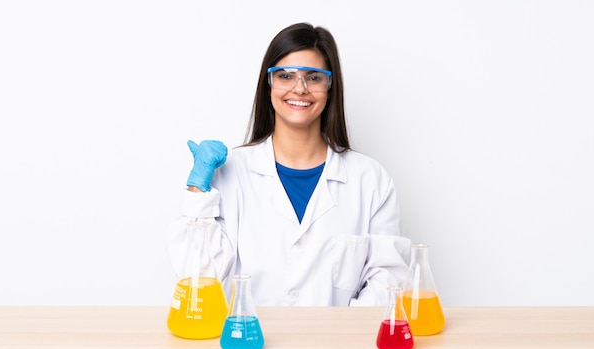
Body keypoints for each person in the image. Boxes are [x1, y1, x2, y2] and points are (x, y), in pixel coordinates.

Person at [166, 22, 411, 306]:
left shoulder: (369, 178)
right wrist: (197, 193)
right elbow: (198, 279)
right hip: (248, 344)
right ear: (268, 84)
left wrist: (339, 336)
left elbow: (389, 279)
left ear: (330, 87)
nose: (300, 88)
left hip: (337, 347)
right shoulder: (230, 172)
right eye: (285, 76)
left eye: (314, 78)